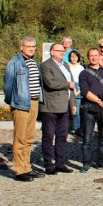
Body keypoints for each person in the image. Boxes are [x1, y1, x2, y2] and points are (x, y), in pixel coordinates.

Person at [39, 43, 76, 175]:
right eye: (59, 51)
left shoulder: (65, 65)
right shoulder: (45, 65)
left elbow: (72, 88)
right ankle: (49, 165)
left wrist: (73, 104)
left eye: (63, 51)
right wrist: (67, 84)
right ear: (52, 52)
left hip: (64, 107)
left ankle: (60, 163)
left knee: (62, 136)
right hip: (51, 107)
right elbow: (50, 83)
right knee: (48, 137)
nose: (62, 53)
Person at [79, 47, 103, 172]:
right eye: (91, 56)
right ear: (88, 58)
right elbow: (85, 92)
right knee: (87, 138)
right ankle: (86, 163)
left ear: (100, 57)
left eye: (96, 55)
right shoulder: (84, 73)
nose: (94, 58)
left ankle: (102, 161)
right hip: (90, 108)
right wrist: (99, 101)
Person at [67, 50, 84, 136]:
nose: (74, 58)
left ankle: (77, 128)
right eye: (72, 56)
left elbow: (83, 81)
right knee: (66, 110)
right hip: (68, 87)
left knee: (76, 111)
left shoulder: (81, 68)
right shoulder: (66, 66)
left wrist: (78, 91)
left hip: (78, 88)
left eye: (75, 56)